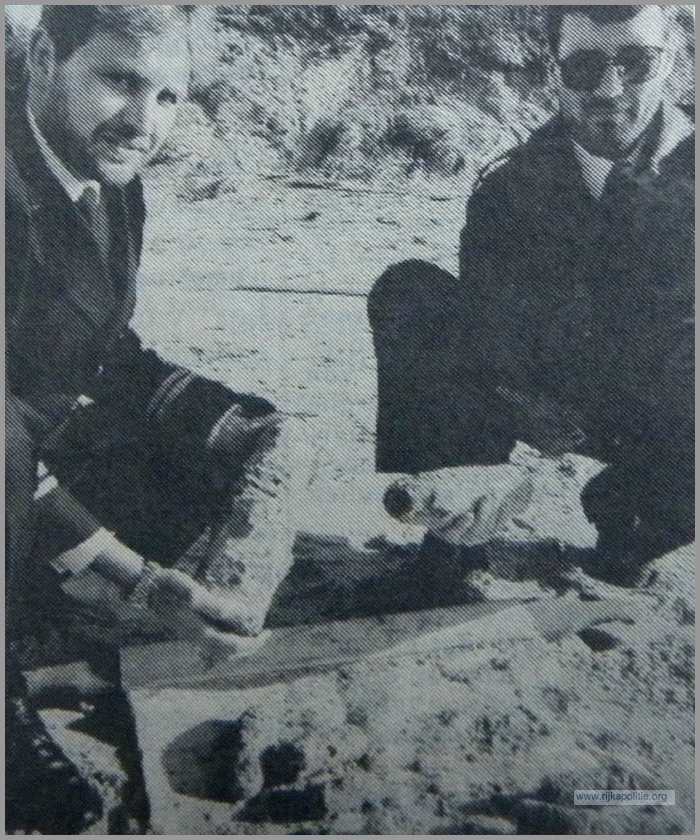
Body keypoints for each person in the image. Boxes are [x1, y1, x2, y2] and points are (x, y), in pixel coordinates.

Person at [6, 6, 297, 832]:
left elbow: (96, 347)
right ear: (42, 56)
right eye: (119, 81)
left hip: (28, 457)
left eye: (170, 96)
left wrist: (221, 421)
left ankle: (45, 593)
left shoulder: (104, 182)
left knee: (218, 459)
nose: (144, 122)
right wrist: (128, 570)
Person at [368, 5, 694, 587]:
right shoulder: (509, 185)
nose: (609, 88)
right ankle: (452, 537)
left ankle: (634, 529)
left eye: (636, 63)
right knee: (411, 293)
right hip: (551, 392)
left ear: (674, 60)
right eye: (585, 67)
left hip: (667, 407)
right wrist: (512, 418)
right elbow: (485, 330)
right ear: (554, 70)